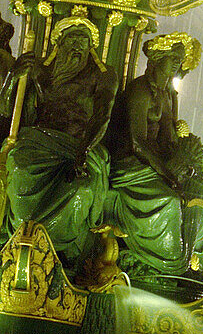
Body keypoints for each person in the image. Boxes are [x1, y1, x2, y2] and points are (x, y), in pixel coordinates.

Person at [0, 15, 118, 270]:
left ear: (92, 47)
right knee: (19, 166)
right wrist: (13, 76)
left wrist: (83, 152)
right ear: (59, 42)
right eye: (72, 40)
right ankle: (21, 238)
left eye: (84, 41)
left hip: (80, 145)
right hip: (38, 142)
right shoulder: (38, 69)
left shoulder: (104, 76)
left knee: (82, 188)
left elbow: (103, 115)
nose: (77, 47)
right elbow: (6, 109)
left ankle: (62, 256)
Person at [106, 31, 203, 282]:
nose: (178, 63)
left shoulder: (167, 94)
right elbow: (138, 142)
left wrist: (189, 153)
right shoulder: (140, 91)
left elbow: (168, 138)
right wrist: (170, 174)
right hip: (131, 165)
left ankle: (193, 264)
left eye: (180, 59)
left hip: (157, 162)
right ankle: (166, 264)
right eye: (173, 58)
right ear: (156, 59)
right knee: (169, 199)